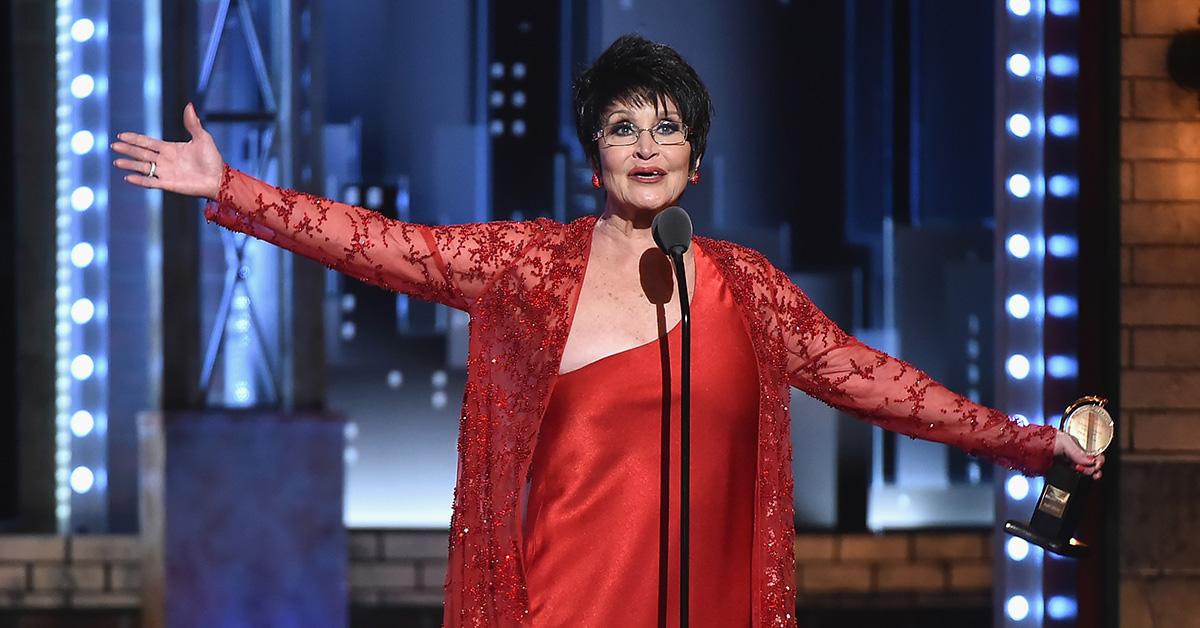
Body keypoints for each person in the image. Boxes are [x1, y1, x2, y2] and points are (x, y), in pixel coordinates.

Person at [113, 34, 1103, 628]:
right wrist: (232, 189)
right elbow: (384, 245)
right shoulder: (528, 269)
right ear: (594, 157)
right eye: (624, 127)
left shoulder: (747, 289)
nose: (646, 145)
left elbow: (875, 381)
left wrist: (1031, 442)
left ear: (696, 162)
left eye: (667, 128)